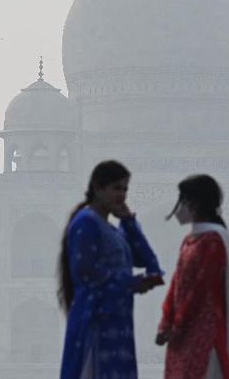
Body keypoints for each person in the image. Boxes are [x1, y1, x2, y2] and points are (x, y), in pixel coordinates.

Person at [59, 160, 165, 379]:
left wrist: (128, 221)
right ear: (98, 187)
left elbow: (148, 261)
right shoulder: (85, 222)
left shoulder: (112, 230)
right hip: (96, 319)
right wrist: (132, 283)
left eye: (125, 189)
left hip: (117, 321)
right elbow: (85, 272)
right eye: (116, 188)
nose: (122, 195)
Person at [156, 174, 229, 379]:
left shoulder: (214, 240)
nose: (179, 207)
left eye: (183, 200)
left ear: (193, 204)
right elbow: (177, 283)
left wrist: (178, 322)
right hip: (182, 331)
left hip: (204, 330)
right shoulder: (190, 240)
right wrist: (166, 320)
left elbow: (200, 288)